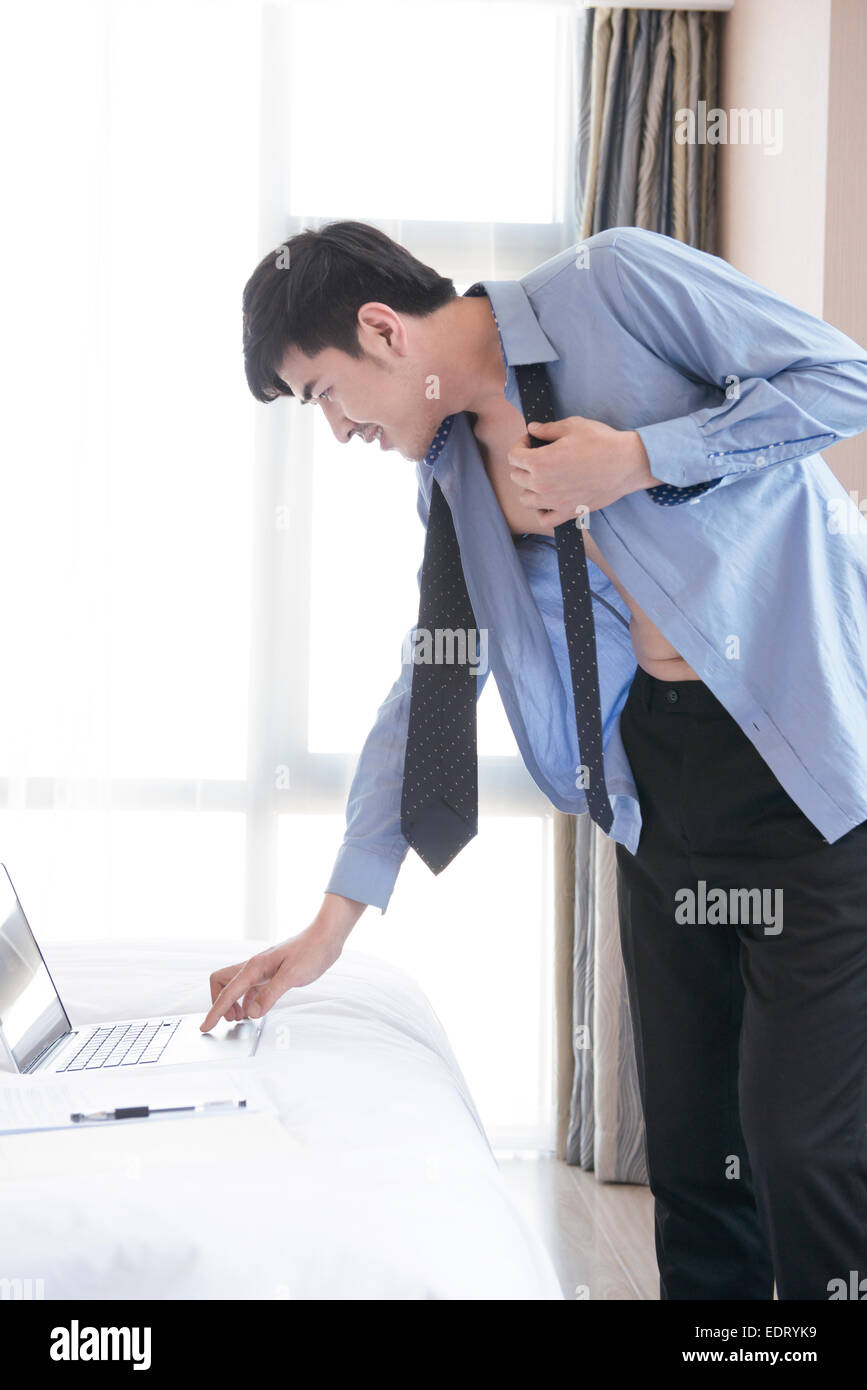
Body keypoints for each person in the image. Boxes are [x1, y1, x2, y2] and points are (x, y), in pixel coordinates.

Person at [201, 220, 867, 1300]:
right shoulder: (458, 475)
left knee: (804, 1150)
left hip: (810, 764)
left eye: (323, 392)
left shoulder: (616, 286)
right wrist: (332, 924)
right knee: (697, 1162)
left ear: (380, 328)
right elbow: (433, 680)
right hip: (663, 789)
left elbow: (845, 378)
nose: (337, 430)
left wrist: (645, 456)